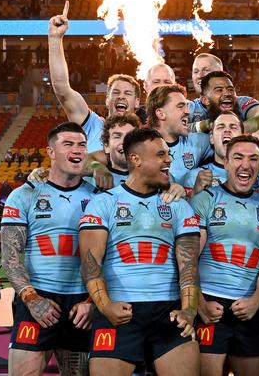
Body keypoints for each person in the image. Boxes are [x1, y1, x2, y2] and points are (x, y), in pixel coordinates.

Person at [78, 128, 201, 375]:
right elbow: (91, 263)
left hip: (169, 312)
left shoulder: (178, 206)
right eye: (160, 154)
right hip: (119, 310)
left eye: (168, 154)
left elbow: (188, 266)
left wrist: (189, 309)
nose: (169, 160)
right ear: (135, 159)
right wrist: (105, 306)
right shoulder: (104, 202)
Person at [1, 122, 97, 376]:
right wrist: (32, 300)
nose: (76, 150)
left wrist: (92, 301)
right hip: (37, 298)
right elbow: (10, 256)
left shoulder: (100, 197)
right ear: (50, 151)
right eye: (68, 144)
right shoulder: (24, 195)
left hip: (81, 304)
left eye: (82, 145)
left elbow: (110, 257)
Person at [190, 135, 259, 376]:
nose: (246, 164)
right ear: (226, 163)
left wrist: (257, 300)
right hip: (210, 302)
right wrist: (199, 304)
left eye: (254, 158)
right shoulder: (204, 200)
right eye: (238, 157)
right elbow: (188, 258)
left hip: (251, 306)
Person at [48, 2, 141, 153]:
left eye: (127, 93)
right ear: (107, 99)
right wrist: (55, 39)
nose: (121, 97)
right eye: (116, 93)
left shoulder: (146, 138)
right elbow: (62, 90)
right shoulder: (92, 125)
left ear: (137, 102)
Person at [191, 112, 259, 209]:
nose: (227, 130)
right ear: (211, 138)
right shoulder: (196, 176)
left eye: (233, 127)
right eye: (220, 127)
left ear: (242, 136)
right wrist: (195, 194)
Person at [188, 53, 259, 128]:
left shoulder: (242, 103)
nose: (200, 75)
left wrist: (234, 130)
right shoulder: (189, 107)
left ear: (220, 74)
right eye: (196, 71)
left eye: (206, 70)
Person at [192, 71, 259, 133]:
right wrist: (207, 124)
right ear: (205, 100)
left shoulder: (242, 102)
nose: (227, 94)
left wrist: (233, 129)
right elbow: (182, 129)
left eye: (230, 89)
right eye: (219, 90)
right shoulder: (193, 108)